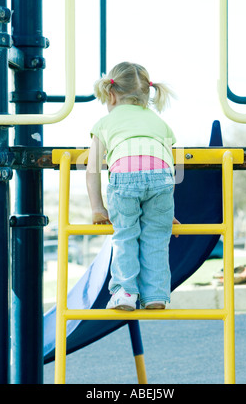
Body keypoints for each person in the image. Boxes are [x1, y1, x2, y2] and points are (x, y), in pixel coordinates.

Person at [86, 62, 180, 311]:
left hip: (125, 178)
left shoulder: (105, 123)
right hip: (162, 181)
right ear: (148, 95)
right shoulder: (161, 124)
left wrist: (97, 207)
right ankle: (156, 296)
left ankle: (125, 292)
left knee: (126, 235)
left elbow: (92, 168)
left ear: (111, 94)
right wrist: (166, 212)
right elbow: (171, 168)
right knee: (156, 239)